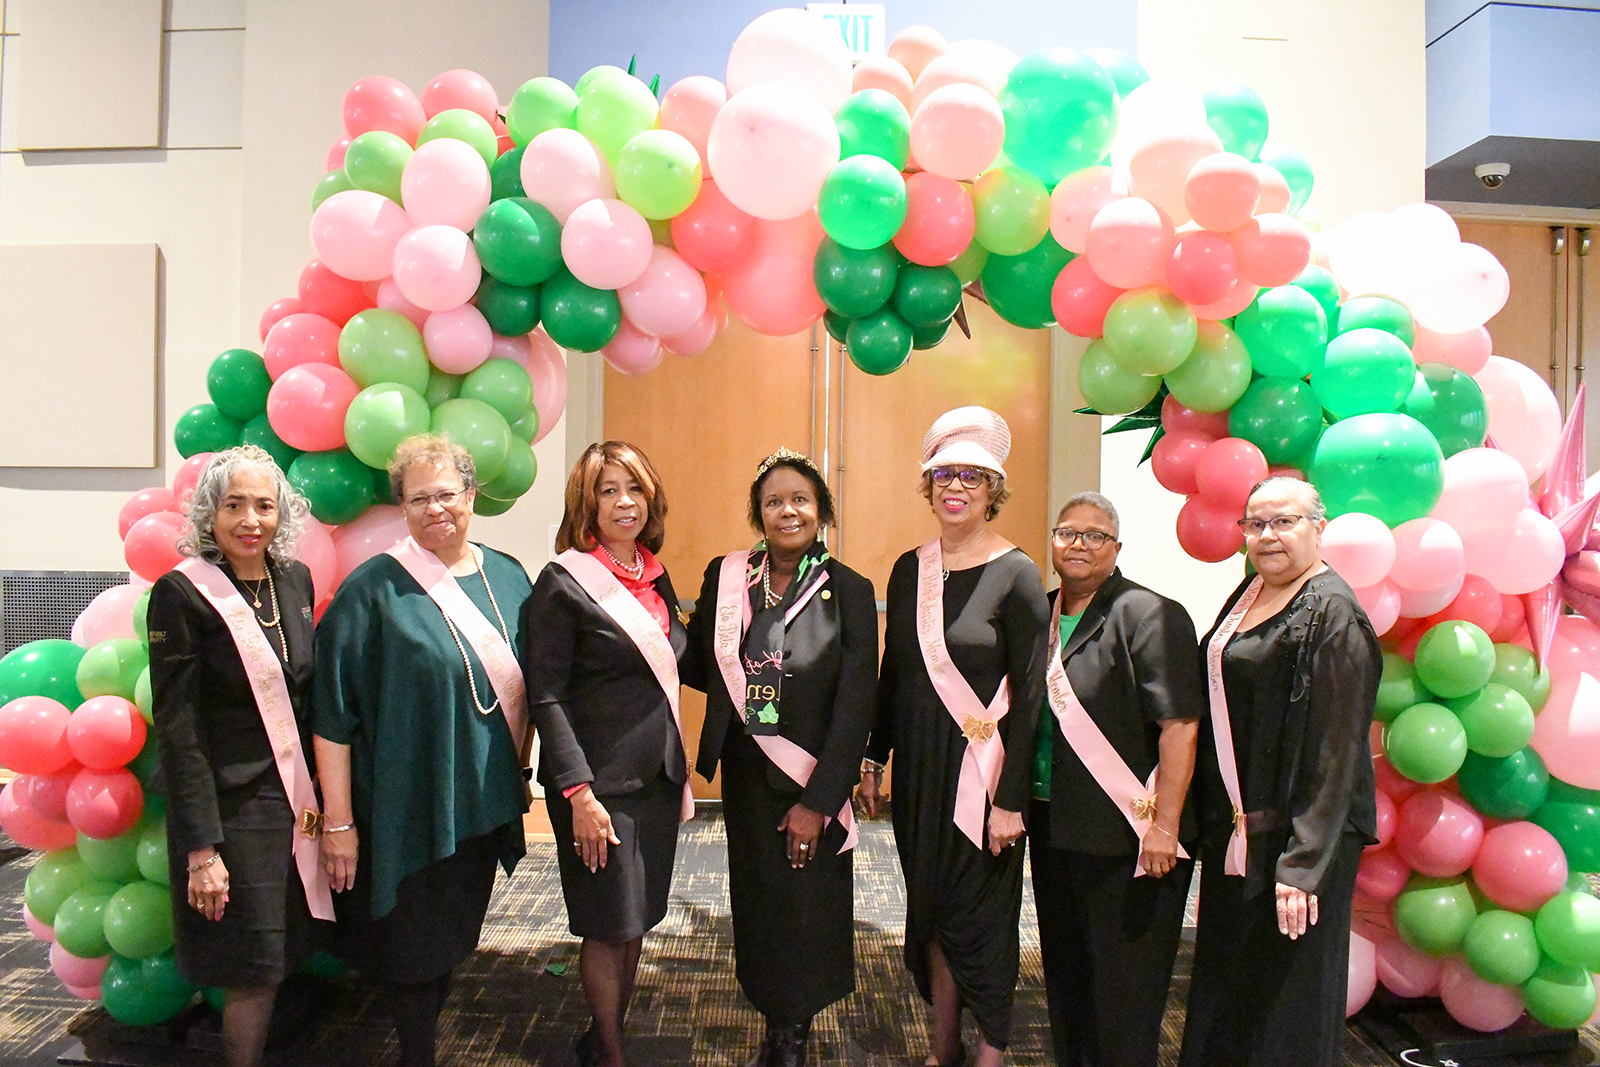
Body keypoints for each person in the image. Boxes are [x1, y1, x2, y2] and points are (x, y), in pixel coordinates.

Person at [312, 434, 532, 1067]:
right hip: (404, 801)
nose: (436, 509)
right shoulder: (371, 590)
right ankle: (416, 1055)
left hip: (482, 796)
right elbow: (332, 716)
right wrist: (340, 821)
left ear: (472, 495)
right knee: (411, 946)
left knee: (452, 933)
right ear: (401, 508)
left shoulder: (510, 576)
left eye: (447, 494)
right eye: (418, 499)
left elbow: (532, 687)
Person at [860, 407, 1050, 1067]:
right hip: (920, 774)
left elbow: (1031, 699)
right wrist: (873, 755)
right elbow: (894, 671)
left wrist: (1012, 798)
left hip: (984, 780)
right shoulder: (910, 570)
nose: (956, 487)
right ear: (929, 483)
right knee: (934, 912)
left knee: (985, 920)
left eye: (972, 476)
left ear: (993, 490)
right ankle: (944, 1047)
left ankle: (991, 1049)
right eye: (944, 474)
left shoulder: (1019, 574)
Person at [681, 449, 879, 1067]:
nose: (787, 510)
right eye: (773, 501)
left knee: (808, 905)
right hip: (745, 773)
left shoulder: (850, 590)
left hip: (813, 777)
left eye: (799, 499)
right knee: (760, 900)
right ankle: (772, 1011)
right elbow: (703, 665)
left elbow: (857, 705)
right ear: (758, 513)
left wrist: (819, 801)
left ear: (820, 510)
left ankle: (795, 1026)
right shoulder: (728, 575)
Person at [1178, 477, 1381, 1067]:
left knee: (1287, 1002)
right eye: (1255, 524)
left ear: (1319, 527)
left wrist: (1303, 863)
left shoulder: (1334, 613)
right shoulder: (1250, 591)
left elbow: (1336, 750)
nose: (1267, 536)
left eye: (1283, 522)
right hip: (1241, 832)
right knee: (1231, 989)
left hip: (1299, 843)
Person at [147, 445, 333, 1067]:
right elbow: (179, 729)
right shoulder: (182, 594)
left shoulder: (295, 580)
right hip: (230, 804)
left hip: (295, 797)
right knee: (252, 964)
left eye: (264, 505)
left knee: (281, 952)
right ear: (209, 513)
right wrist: (201, 849)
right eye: (234, 506)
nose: (251, 520)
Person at [520, 441, 692, 1067]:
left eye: (636, 489)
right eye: (609, 490)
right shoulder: (563, 582)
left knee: (636, 919)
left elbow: (682, 660)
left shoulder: (655, 575)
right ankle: (613, 1054)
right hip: (598, 788)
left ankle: (603, 1037)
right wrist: (578, 795)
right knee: (605, 923)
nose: (625, 503)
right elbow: (547, 695)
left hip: (657, 778)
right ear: (586, 503)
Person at [1029, 492, 1204, 1067]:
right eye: (1067, 532)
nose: (1078, 544)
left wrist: (1164, 826)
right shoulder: (1042, 611)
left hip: (1130, 839)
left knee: (1125, 992)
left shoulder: (1150, 613)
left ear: (1117, 548)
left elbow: (1179, 726)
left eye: (1094, 536)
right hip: (1056, 829)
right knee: (1069, 981)